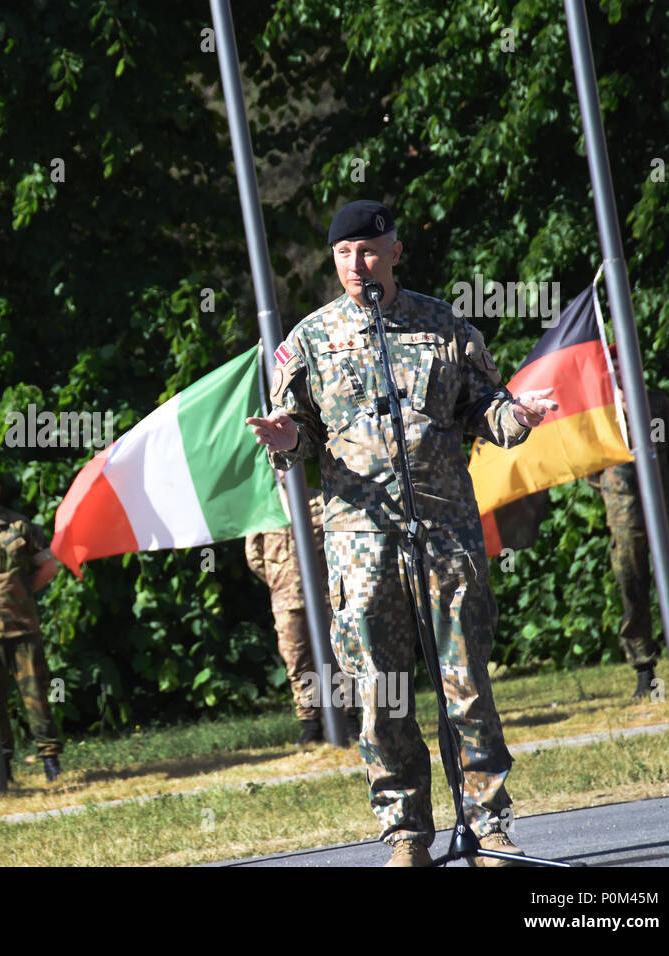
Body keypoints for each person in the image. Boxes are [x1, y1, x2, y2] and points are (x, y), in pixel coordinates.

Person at [245, 199, 558, 867]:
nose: (356, 266)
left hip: (446, 536)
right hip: (362, 545)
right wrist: (285, 436)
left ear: (394, 252)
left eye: (367, 251)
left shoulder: (442, 325)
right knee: (377, 694)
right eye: (342, 256)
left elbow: (484, 407)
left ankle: (488, 829)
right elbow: (294, 432)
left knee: (466, 683)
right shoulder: (310, 340)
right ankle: (406, 834)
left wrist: (517, 415)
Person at [591, 344, 669, 699]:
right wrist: (617, 495)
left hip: (664, 509)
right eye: (612, 367)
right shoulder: (601, 413)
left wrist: (658, 487)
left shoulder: (657, 403)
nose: (620, 371)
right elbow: (592, 469)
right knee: (633, 591)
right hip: (626, 519)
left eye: (624, 364)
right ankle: (645, 671)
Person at [0, 465, 64, 783]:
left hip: (22, 626)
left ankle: (50, 760)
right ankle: (2, 767)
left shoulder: (21, 525)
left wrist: (22, 592)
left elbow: (49, 566)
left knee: (36, 695)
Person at [245, 487, 359, 745]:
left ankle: (350, 718)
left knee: (340, 653)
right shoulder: (264, 506)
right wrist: (281, 584)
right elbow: (255, 558)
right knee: (297, 660)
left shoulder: (321, 498)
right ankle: (310, 724)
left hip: (326, 595)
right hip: (287, 600)